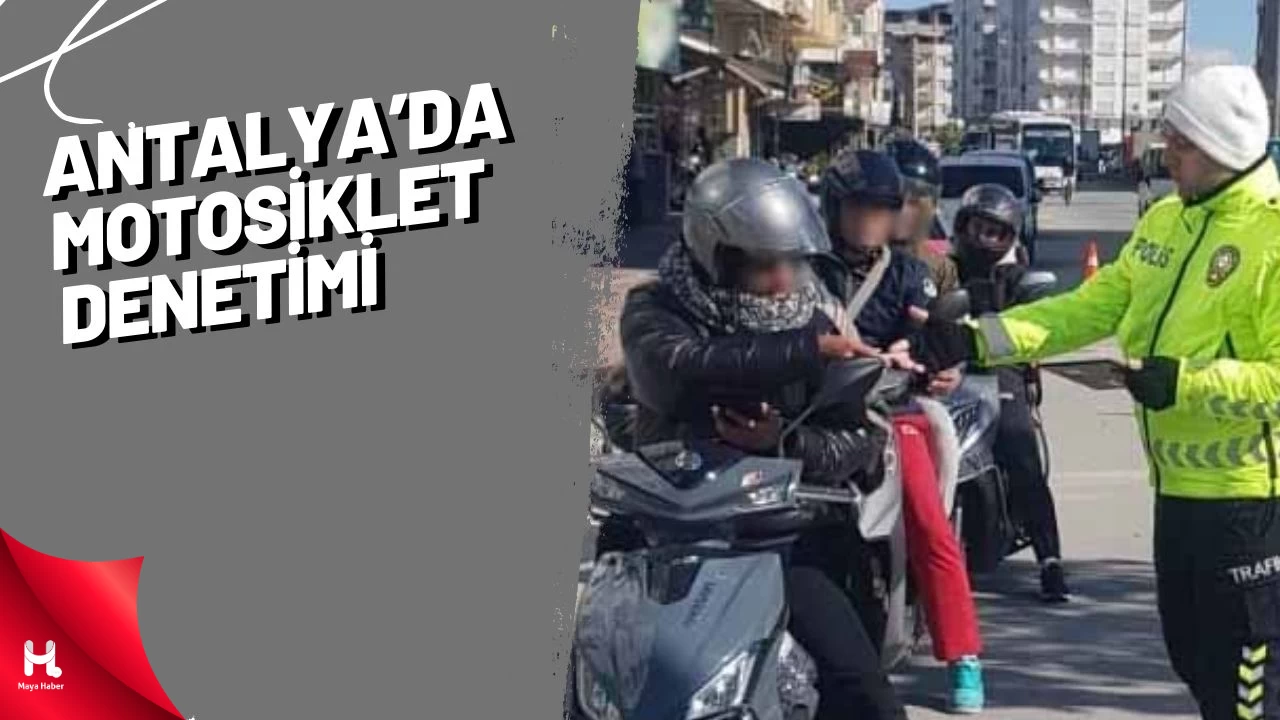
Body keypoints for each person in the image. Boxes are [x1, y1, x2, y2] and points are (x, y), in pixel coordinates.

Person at [915, 66, 1280, 718]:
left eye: (1180, 140)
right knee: (1195, 661)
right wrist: (976, 340)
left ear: (1219, 145)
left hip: (1251, 505)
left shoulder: (1271, 238)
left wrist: (1185, 382)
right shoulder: (1167, 220)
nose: (1166, 150)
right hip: (1176, 493)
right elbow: (1088, 309)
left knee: (1250, 686)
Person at [613, 157, 909, 720]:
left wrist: (784, 444)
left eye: (791, 263)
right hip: (667, 541)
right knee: (603, 679)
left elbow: (859, 436)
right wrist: (806, 352)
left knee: (864, 691)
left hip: (778, 541)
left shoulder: (815, 316)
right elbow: (680, 370)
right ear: (717, 256)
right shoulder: (655, 309)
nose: (781, 281)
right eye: (763, 265)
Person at [820, 147, 986, 713]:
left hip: (888, 414)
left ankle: (962, 654)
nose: (869, 219)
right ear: (834, 208)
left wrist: (932, 356)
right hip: (810, 415)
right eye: (858, 207)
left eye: (880, 209)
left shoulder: (910, 275)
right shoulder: (802, 270)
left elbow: (930, 331)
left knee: (928, 521)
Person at [944, 182, 1071, 603]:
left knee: (1022, 457)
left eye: (996, 232)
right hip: (944, 376)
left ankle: (1050, 561)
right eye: (978, 228)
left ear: (1009, 238)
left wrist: (987, 311)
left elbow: (1014, 340)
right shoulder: (942, 271)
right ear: (962, 226)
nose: (985, 239)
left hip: (1000, 376)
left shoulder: (1017, 280)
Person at [888, 139, 961, 296]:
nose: (903, 211)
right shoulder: (850, 264)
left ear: (932, 208)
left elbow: (954, 307)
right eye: (893, 201)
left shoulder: (941, 269)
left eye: (915, 202)